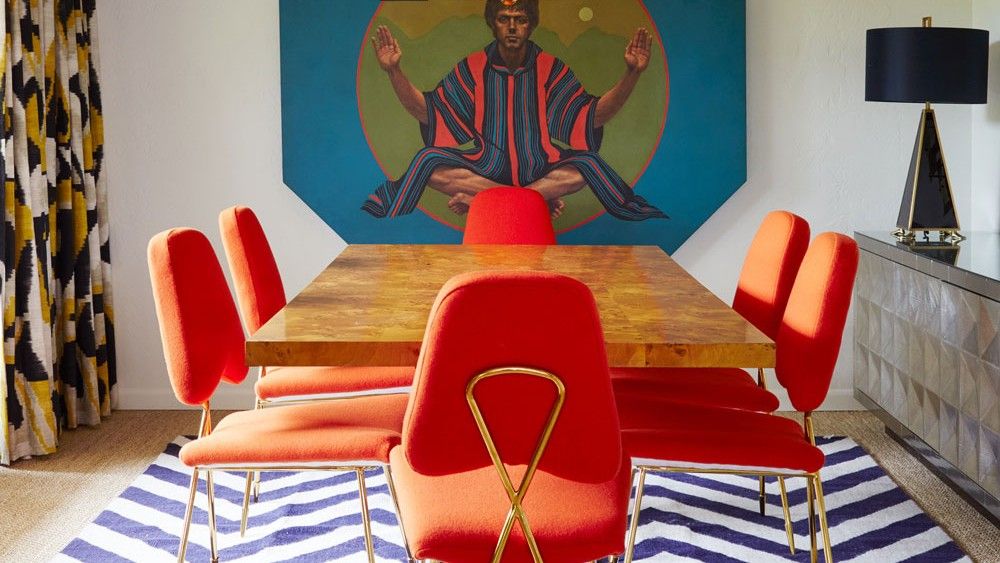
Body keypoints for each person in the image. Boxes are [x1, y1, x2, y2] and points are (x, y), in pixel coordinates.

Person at [361, 0, 666, 221]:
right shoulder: (473, 67)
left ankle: (487, 199)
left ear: (531, 24)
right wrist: (394, 71)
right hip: (485, 167)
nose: (511, 26)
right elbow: (430, 112)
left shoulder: (550, 68)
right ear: (492, 22)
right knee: (428, 161)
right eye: (504, 17)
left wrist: (632, 74)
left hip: (540, 167)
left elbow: (589, 117)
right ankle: (532, 199)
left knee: (587, 165)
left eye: (519, 19)